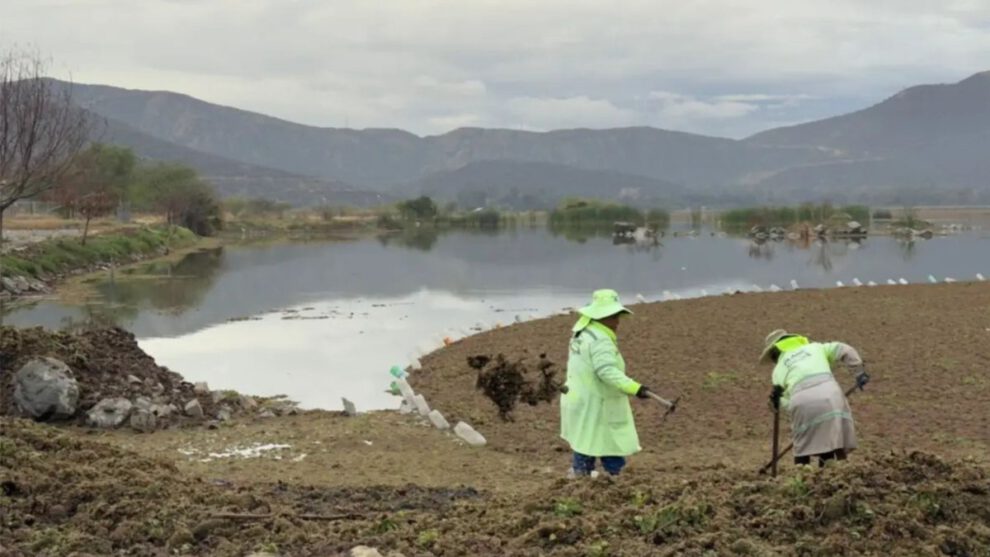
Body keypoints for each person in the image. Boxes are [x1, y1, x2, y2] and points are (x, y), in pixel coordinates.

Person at [560, 289, 650, 476]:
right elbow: (606, 371)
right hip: (597, 402)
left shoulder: (582, 334)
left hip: (579, 398)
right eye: (613, 316)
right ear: (602, 316)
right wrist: (636, 388)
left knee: (586, 442)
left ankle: (580, 478)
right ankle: (617, 480)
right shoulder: (600, 340)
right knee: (609, 444)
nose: (617, 321)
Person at [761, 329, 870, 467]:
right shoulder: (816, 347)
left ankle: (802, 474)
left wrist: (777, 402)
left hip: (801, 400)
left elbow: (789, 404)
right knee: (829, 438)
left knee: (802, 445)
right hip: (831, 395)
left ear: (775, 353)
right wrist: (859, 372)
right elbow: (844, 349)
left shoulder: (777, 371)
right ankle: (828, 473)